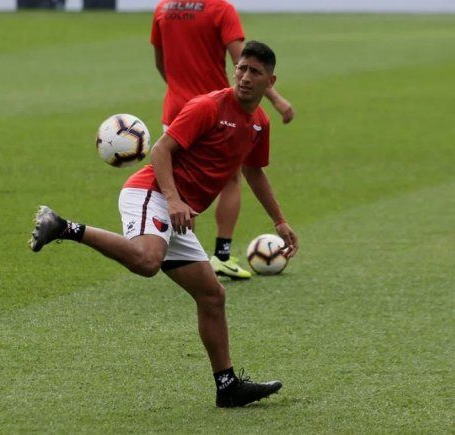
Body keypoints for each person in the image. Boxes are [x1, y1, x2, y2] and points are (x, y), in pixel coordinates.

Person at [30, 41, 298, 408]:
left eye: (255, 72)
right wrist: (173, 199)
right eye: (241, 68)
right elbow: (159, 150)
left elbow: (254, 173)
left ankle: (227, 386)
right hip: (150, 193)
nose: (246, 77)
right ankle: (63, 227)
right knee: (146, 261)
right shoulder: (208, 106)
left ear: (271, 81)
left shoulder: (259, 123)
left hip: (177, 213)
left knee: (212, 296)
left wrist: (280, 221)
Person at [151, 0, 295, 279]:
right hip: (215, 109)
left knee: (178, 176)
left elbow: (160, 61)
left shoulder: (163, 8)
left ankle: (177, 255)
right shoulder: (220, 8)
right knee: (231, 176)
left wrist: (179, 89)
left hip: (177, 105)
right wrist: (275, 99)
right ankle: (221, 255)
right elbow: (241, 56)